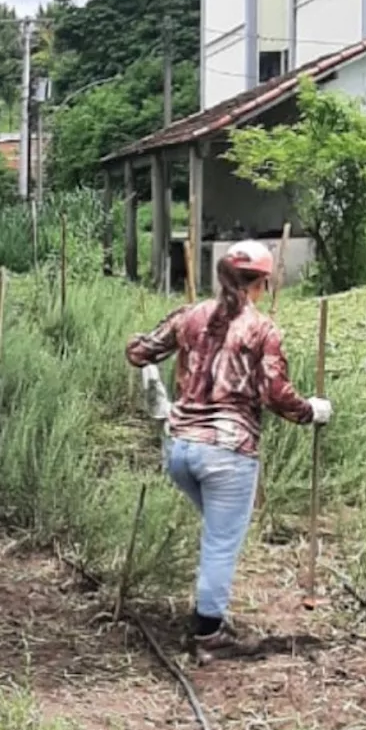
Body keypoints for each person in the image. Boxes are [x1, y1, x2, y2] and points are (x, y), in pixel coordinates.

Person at [125, 242, 332, 658]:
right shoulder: (262, 329)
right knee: (222, 541)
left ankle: (208, 611)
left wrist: (154, 380)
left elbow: (138, 351)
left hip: (181, 449)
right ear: (262, 283)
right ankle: (208, 633)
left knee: (219, 533)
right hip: (227, 450)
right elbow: (274, 393)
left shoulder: (190, 316)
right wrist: (311, 411)